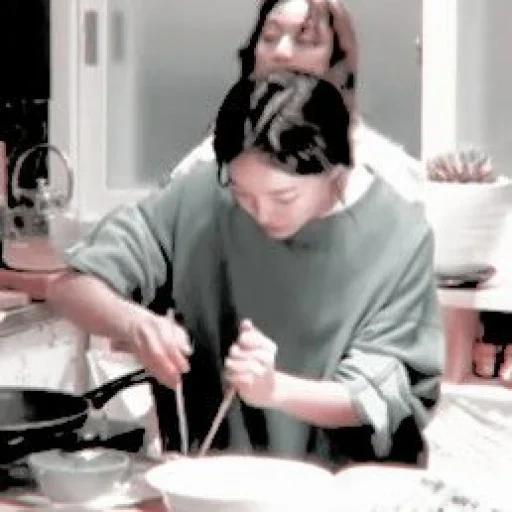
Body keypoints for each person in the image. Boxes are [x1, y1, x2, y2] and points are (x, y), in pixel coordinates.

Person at [47, 70, 444, 468]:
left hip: (350, 490)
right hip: (213, 484)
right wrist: (132, 323)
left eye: (283, 196)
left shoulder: (399, 238)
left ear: (336, 168)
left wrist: (275, 390)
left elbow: (375, 396)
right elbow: (70, 286)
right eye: (243, 194)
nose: (262, 214)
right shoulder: (200, 196)